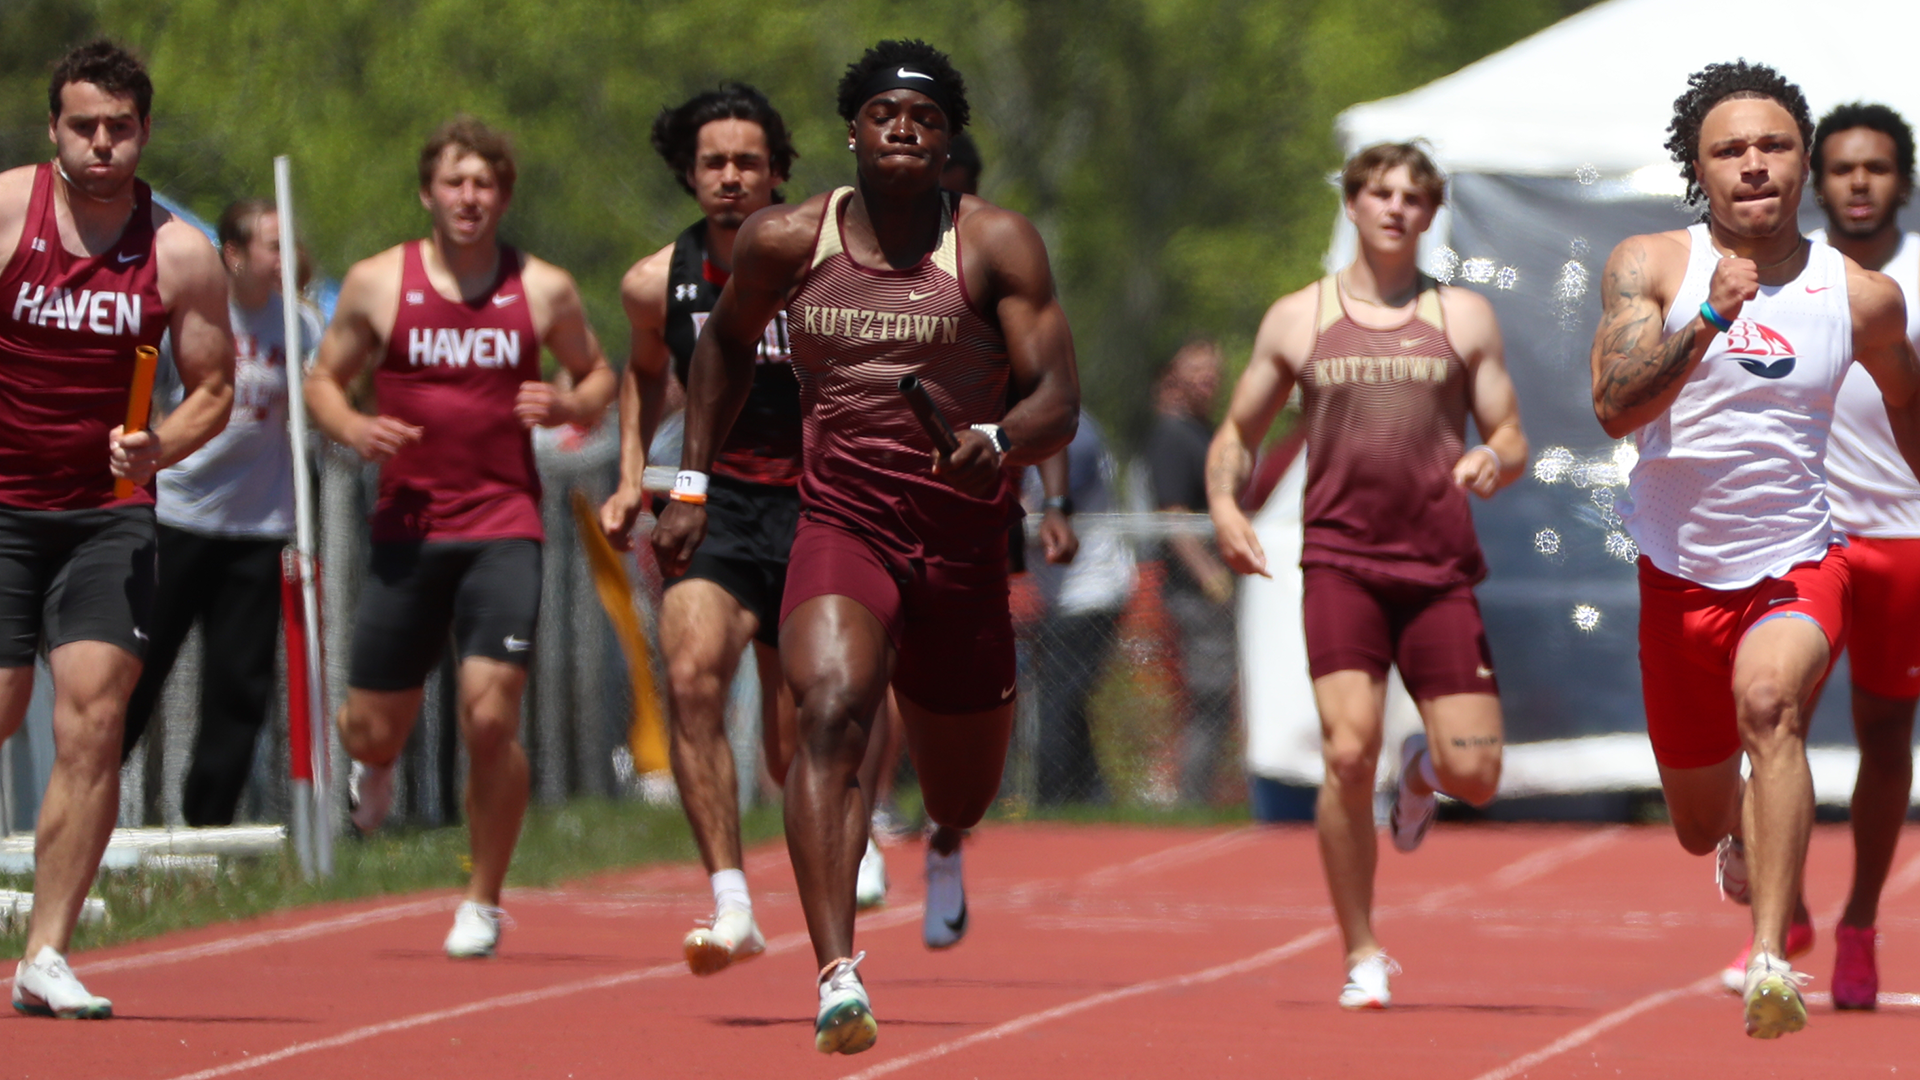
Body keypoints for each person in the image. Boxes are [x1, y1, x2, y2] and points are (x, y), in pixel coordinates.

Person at [652, 39, 1078, 1055]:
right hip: (842, 522)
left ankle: (939, 836)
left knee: (960, 792)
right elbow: (718, 347)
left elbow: (1058, 394)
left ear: (945, 145)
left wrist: (1000, 442)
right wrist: (692, 480)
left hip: (964, 540)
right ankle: (837, 971)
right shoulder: (787, 240)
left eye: (924, 118)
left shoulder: (997, 246)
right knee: (830, 711)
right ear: (851, 131)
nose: (902, 126)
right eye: (884, 111)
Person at [1588, 62, 1920, 1038]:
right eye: (1730, 150)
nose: (1754, 165)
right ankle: (1734, 827)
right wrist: (1710, 318)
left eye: (1773, 145)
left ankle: (1774, 956)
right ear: (1700, 168)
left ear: (1803, 161)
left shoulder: (1860, 296)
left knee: (1772, 705)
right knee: (1695, 826)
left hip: (1800, 564)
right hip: (1678, 580)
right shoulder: (1651, 266)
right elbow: (1614, 408)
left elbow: (1906, 401)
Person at [1207, 142, 1526, 1010]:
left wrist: (1495, 461)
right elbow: (1238, 431)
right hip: (1342, 561)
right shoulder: (1298, 318)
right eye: (1380, 193)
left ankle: (1422, 775)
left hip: (1437, 568)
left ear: (1430, 215)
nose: (1396, 209)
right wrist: (1226, 508)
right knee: (1347, 753)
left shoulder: (1463, 317)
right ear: (1351, 204)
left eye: (1414, 198)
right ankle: (1361, 950)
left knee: (1478, 776)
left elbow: (1510, 433)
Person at [598, 84, 891, 977]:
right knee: (690, 676)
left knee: (796, 732)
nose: (731, 178)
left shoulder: (821, 267)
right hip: (712, 503)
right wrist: (627, 479)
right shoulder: (657, 282)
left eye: (748, 162)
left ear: (778, 171)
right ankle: (731, 902)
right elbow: (643, 375)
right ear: (689, 174)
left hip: (818, 505)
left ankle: (851, 828)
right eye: (714, 163)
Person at [306, 115, 614, 960]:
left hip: (503, 525)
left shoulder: (542, 288)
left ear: (503, 196)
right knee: (370, 728)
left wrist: (569, 406)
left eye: (484, 183)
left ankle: (483, 895)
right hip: (408, 529)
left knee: (490, 715)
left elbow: (596, 375)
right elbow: (323, 381)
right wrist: (353, 427)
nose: (469, 197)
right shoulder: (377, 282)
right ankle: (378, 768)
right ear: (428, 193)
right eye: (455, 182)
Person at [0, 40, 235, 1018]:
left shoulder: (180, 252)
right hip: (4, 503)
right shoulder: (9, 212)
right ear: (54, 128)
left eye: (121, 128)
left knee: (93, 719)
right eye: (84, 126)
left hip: (109, 514)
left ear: (143, 132)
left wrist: (160, 449)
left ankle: (45, 951)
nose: (102, 145)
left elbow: (215, 390)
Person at [1707, 101, 1920, 1009]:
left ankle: (1861, 925)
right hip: (1802, 542)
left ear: (1902, 180)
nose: (1859, 183)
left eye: (1876, 167)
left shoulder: (1898, 288)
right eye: (1842, 168)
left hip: (1905, 542)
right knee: (1765, 718)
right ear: (1813, 179)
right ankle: (1781, 908)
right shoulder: (1768, 276)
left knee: (1883, 737)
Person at [120, 198, 322, 826]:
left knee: (240, 688)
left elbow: (323, 407)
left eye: (290, 244)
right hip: (177, 516)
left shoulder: (302, 326)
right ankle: (86, 805)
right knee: (135, 673)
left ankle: (209, 827)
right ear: (233, 255)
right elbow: (142, 395)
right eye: (271, 245)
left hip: (257, 527)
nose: (285, 258)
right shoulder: (200, 313)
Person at [1146, 341, 1238, 803]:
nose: (1207, 377)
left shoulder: (1205, 431)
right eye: (1196, 369)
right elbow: (1174, 516)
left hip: (1217, 587)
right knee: (1209, 695)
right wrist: (1209, 576)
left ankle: (1202, 793)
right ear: (1175, 377)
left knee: (1219, 698)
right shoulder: (1173, 435)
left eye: (1213, 370)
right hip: (1195, 593)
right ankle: (1191, 797)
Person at [1025, 411, 1131, 805]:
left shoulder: (1076, 434)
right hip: (1065, 596)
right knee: (1067, 700)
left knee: (1057, 701)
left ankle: (1051, 802)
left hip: (1090, 593)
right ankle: (1091, 796)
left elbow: (1045, 513)